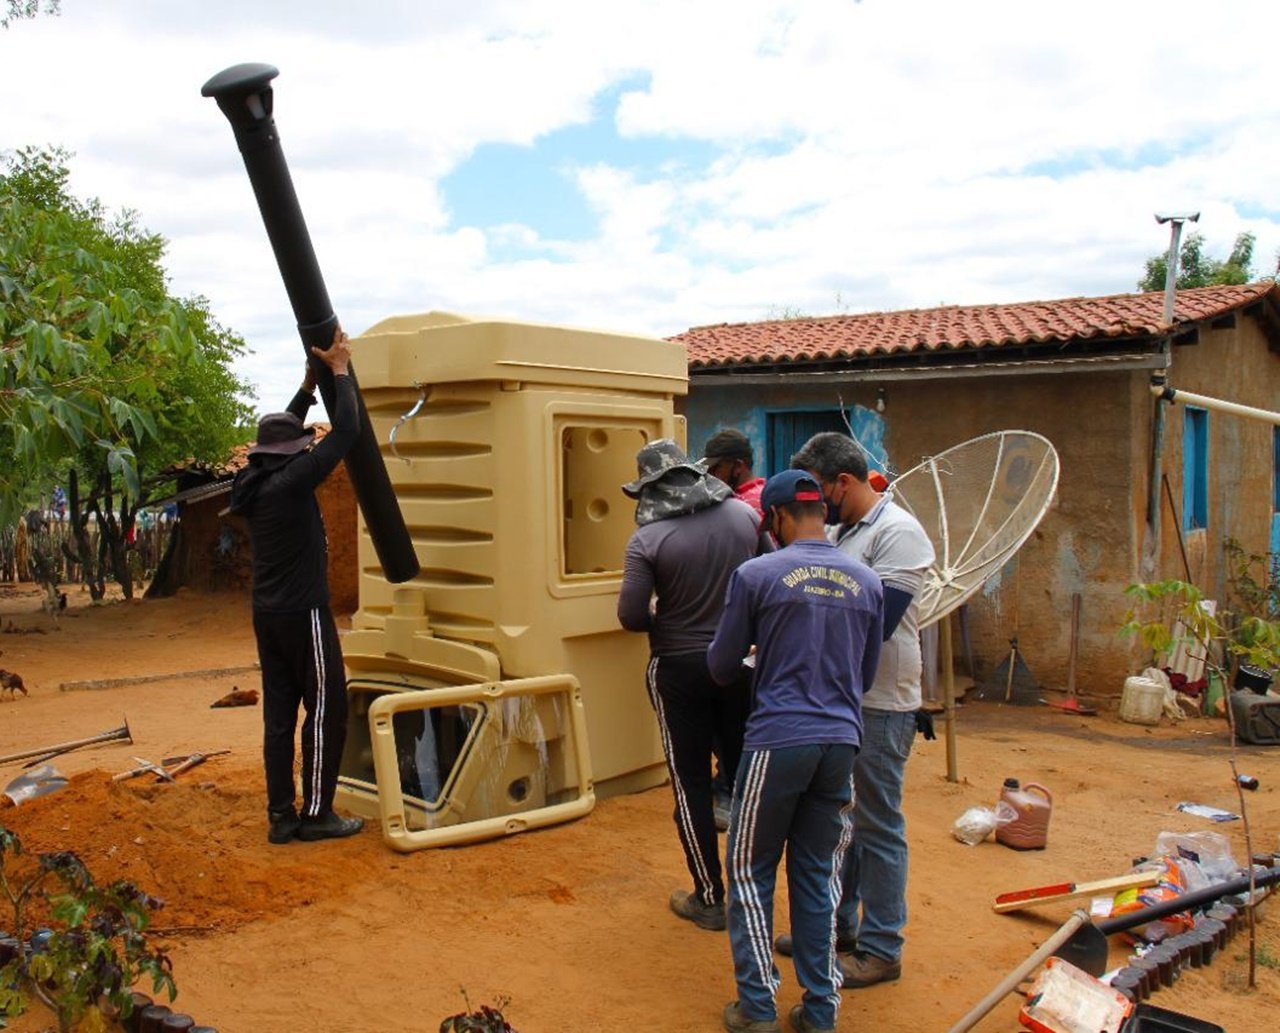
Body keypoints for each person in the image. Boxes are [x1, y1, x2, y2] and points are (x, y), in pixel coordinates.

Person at [708, 470, 883, 1033]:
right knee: (817, 874)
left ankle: (757, 1008)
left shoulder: (758, 574)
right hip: (840, 742)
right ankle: (820, 1009)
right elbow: (866, 674)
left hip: (777, 740)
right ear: (822, 514)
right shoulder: (867, 581)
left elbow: (719, 664)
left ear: (778, 517)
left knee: (749, 869)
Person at [782, 431, 936, 989]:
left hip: (880, 702)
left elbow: (877, 623)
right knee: (839, 819)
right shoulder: (845, 530)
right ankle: (836, 929)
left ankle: (882, 946)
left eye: (821, 493)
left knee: (878, 826)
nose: (816, 507)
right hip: (841, 697)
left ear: (843, 482)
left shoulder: (899, 534)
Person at [617, 439, 761, 931]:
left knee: (690, 784)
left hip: (678, 669)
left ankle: (709, 896)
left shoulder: (648, 541)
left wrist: (665, 610)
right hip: (740, 665)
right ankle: (753, 892)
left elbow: (632, 616)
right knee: (748, 778)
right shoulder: (744, 518)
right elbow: (768, 576)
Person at [229, 326, 364, 846]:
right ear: (292, 452)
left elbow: (284, 436)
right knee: (329, 704)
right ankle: (317, 813)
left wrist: (307, 388)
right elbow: (348, 433)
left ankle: (281, 816)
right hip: (305, 612)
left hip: (268, 615)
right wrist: (338, 371)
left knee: (280, 715)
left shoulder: (253, 483)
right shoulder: (292, 483)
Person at [703, 428, 766, 517]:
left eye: (717, 467)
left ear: (738, 466)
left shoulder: (745, 505)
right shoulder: (764, 494)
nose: (711, 474)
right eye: (709, 469)